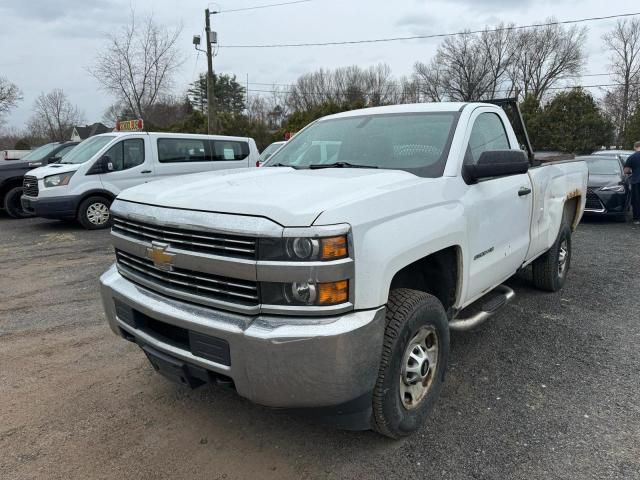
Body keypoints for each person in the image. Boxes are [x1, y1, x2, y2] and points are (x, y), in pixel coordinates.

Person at [624, 142, 640, 224]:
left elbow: (626, 170)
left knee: (636, 200)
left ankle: (637, 219)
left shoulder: (632, 157)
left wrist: (630, 171)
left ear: (635, 147)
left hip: (636, 180)